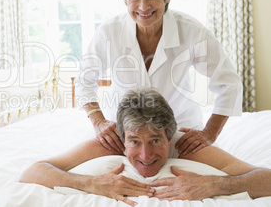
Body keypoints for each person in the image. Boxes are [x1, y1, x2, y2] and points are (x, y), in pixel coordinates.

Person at [74, 0, 242, 155]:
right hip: (122, 136)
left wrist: (209, 133)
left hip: (180, 133)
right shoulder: (109, 32)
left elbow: (229, 83)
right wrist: (99, 121)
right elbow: (84, 79)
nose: (143, 7)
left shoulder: (192, 31)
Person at [20, 88, 271, 206]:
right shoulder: (110, 143)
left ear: (170, 137)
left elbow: (266, 179)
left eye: (155, 141)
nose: (145, 155)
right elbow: (32, 173)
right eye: (135, 142)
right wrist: (90, 184)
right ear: (122, 137)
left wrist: (215, 184)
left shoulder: (187, 145)